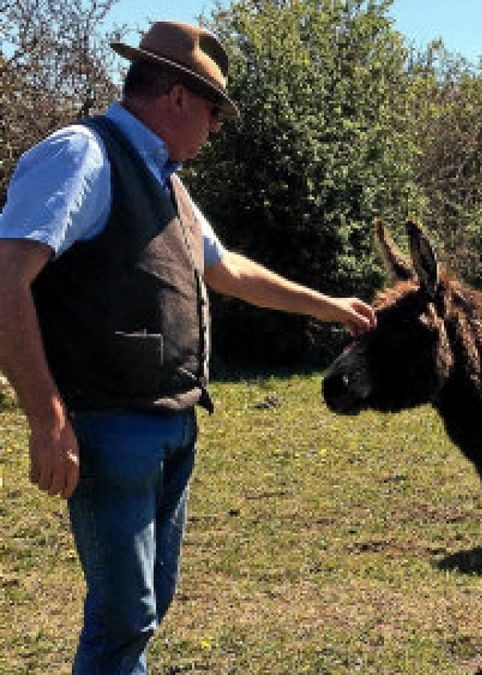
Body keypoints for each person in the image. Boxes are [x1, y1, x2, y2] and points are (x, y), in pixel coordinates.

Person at [0, 20, 376, 673]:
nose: (216, 126)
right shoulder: (83, 155)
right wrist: (46, 417)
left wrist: (327, 306)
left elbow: (228, 270)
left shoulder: (167, 179)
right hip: (109, 425)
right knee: (124, 618)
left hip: (172, 427)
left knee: (144, 607)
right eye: (212, 109)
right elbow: (4, 278)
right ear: (176, 96)